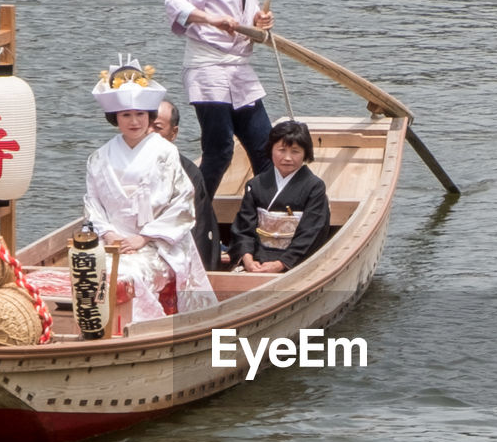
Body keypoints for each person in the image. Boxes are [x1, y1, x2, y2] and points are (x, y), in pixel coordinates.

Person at [164, 0, 275, 200]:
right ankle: (194, 220)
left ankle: (262, 223)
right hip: (208, 65)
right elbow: (176, 1)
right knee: (220, 150)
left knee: (265, 149)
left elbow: (242, 5)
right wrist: (211, 18)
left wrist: (259, 19)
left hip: (239, 67)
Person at [83, 58, 217, 322]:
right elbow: (93, 204)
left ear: (150, 116)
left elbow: (182, 204)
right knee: (89, 270)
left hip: (158, 243)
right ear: (115, 118)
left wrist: (143, 238)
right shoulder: (100, 157)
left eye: (140, 115)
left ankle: (133, 326)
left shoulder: (165, 152)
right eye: (126, 115)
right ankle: (95, 325)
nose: (134, 122)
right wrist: (109, 234)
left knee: (126, 275)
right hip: (113, 242)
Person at [229, 120, 329, 274]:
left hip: (296, 259)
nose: (287, 157)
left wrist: (281, 263)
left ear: (305, 153)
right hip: (258, 256)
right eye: (281, 150)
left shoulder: (314, 187)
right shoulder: (255, 184)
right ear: (271, 150)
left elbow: (312, 232)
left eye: (295, 151)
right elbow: (244, 227)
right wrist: (248, 259)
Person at [150, 99, 222, 270]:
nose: (150, 132)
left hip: (172, 248)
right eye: (147, 125)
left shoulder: (189, 174)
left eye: (158, 128)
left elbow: (198, 226)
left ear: (173, 133)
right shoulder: (123, 165)